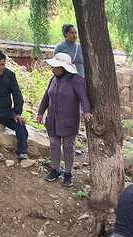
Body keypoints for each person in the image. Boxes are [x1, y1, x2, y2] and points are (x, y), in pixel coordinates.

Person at [37, 53, 91, 187]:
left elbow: (84, 97)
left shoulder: (76, 80)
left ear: (63, 68)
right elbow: (46, 97)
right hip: (53, 119)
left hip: (69, 119)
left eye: (55, 67)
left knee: (68, 147)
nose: (52, 69)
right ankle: (55, 170)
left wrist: (87, 111)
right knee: (54, 144)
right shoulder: (53, 79)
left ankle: (68, 173)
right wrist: (40, 112)